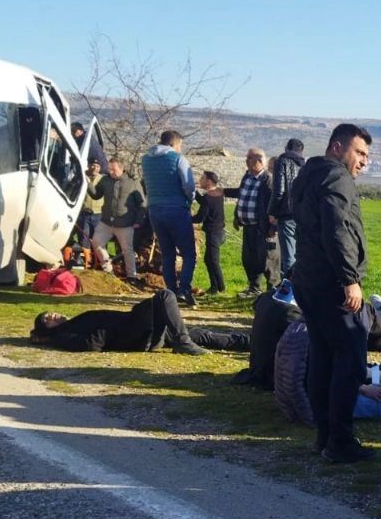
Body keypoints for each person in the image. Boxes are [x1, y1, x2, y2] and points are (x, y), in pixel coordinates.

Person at [290, 122, 374, 463]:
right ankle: (339, 440)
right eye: (360, 152)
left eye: (367, 156)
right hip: (331, 282)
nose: (364, 162)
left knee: (323, 356)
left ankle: (324, 437)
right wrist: (349, 278)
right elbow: (336, 229)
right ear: (337, 148)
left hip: (307, 278)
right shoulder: (336, 177)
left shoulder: (308, 174)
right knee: (350, 359)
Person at [28, 290, 249, 355]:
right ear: (46, 330)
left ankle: (247, 343)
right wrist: (109, 331)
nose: (53, 315)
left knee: (201, 334)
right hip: (134, 332)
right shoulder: (63, 336)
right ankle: (183, 342)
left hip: (138, 329)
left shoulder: (72, 322)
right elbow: (89, 344)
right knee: (165, 297)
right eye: (47, 319)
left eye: (51, 313)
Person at [139, 130, 197, 305]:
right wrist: (190, 198)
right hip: (176, 209)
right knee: (188, 253)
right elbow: (188, 186)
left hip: (154, 210)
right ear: (174, 144)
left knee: (167, 253)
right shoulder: (178, 159)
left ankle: (171, 290)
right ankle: (184, 289)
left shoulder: (146, 160)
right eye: (180, 145)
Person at [86, 156, 146, 286]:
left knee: (127, 250)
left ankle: (132, 276)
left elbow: (142, 203)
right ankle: (108, 270)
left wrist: (138, 220)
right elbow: (96, 195)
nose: (110, 172)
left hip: (125, 222)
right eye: (109, 169)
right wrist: (88, 183)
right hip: (106, 221)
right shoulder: (105, 180)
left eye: (113, 170)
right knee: (96, 242)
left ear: (121, 168)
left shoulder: (133, 182)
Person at [232, 148, 274, 298]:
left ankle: (272, 291)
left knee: (265, 259)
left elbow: (272, 202)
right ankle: (254, 287)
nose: (246, 161)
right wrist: (236, 215)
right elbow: (241, 195)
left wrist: (272, 226)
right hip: (247, 225)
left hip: (261, 227)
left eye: (249, 158)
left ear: (260, 161)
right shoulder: (247, 176)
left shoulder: (268, 179)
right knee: (248, 259)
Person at [270, 138, 306, 280]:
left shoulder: (282, 161)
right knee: (299, 253)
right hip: (301, 214)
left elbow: (279, 190)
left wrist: (272, 211)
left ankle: (290, 290)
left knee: (288, 255)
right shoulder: (305, 165)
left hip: (286, 212)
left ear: (286, 148)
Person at [191, 170, 227, 295]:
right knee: (208, 259)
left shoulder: (208, 198)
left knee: (213, 260)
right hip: (220, 232)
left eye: (202, 178)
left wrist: (187, 218)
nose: (200, 180)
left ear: (208, 181)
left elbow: (200, 218)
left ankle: (221, 287)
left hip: (213, 234)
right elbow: (207, 203)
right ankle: (214, 287)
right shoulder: (218, 194)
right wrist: (195, 193)